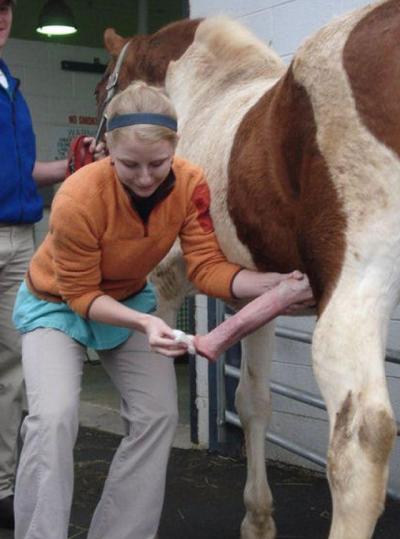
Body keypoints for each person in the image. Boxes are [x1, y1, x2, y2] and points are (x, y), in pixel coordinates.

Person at [12, 79, 314, 539]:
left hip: (129, 300)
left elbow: (208, 266)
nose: (146, 177)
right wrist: (145, 322)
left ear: (176, 147)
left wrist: (269, 283)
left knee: (158, 416)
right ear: (109, 151)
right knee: (53, 416)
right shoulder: (77, 196)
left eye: (158, 163)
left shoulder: (191, 183)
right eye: (130, 164)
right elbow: (80, 295)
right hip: (57, 307)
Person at [0, 0, 105, 529]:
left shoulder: (9, 86)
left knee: (15, 367)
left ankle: (2, 482)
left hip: (21, 237)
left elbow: (21, 174)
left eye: (3, 8)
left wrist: (69, 167)